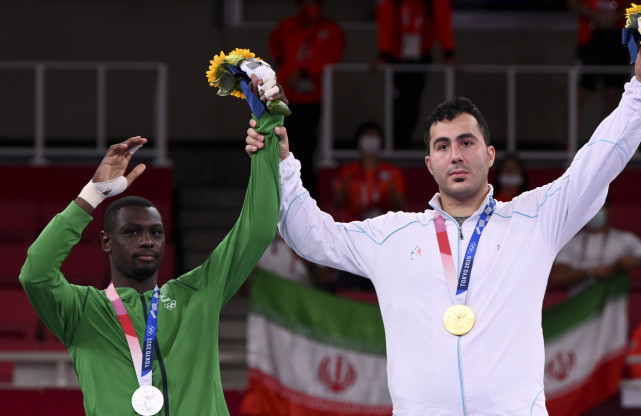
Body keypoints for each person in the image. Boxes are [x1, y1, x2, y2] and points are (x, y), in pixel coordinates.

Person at [245, 42, 641, 415]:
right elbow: (311, 236)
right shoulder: (392, 236)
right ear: (429, 163)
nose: (455, 155)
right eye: (443, 146)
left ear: (489, 155)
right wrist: (281, 164)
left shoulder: (535, 220)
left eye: (466, 142)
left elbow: (599, 160)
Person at [19, 79, 283, 415]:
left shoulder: (198, 293)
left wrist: (268, 129)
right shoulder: (82, 311)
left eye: (155, 233)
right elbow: (36, 274)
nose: (147, 240)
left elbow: (258, 228)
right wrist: (92, 194)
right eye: (132, 232)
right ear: (106, 241)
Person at [269, 0, 345, 193]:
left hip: (313, 99)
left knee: (307, 150)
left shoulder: (331, 30)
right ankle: (281, 194)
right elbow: (276, 48)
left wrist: (304, 71)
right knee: (283, 147)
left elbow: (331, 61)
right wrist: (287, 71)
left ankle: (307, 194)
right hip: (285, 97)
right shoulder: (287, 26)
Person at [375, 0, 455, 149]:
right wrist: (383, 54)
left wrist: (449, 53)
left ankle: (403, 143)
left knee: (413, 100)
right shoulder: (393, 4)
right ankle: (395, 143)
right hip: (396, 55)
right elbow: (385, 22)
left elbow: (443, 19)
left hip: (420, 54)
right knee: (397, 102)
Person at [548, 197, 641, 296]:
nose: (595, 212)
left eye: (599, 207)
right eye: (590, 208)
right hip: (581, 309)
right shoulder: (571, 243)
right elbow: (557, 278)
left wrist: (639, 260)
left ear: (609, 210)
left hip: (613, 309)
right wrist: (591, 272)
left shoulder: (626, 239)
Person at [568, 0, 633, 124]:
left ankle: (606, 137)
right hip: (589, 37)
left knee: (613, 95)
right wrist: (596, 16)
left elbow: (635, 3)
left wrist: (614, 17)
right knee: (578, 95)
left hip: (618, 36)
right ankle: (571, 137)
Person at [333, 121, 406, 222]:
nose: (371, 140)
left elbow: (400, 206)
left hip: (383, 225)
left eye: (374, 136)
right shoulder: (347, 171)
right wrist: (346, 185)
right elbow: (337, 203)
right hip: (353, 224)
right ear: (359, 140)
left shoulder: (392, 172)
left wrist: (389, 195)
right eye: (366, 135)